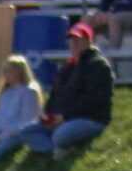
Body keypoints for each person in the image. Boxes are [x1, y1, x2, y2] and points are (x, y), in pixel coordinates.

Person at [15, 23, 114, 157]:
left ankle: (54, 147)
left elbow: (93, 101)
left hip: (90, 118)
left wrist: (65, 116)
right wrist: (47, 115)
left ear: (88, 41)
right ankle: (55, 150)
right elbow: (55, 94)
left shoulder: (98, 65)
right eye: (71, 41)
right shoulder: (68, 67)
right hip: (62, 119)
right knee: (25, 131)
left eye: (77, 40)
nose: (73, 44)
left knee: (60, 136)